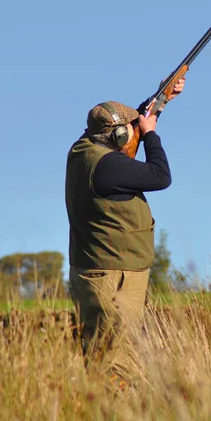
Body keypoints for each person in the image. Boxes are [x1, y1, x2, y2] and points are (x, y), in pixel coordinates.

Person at [65, 79, 185, 382]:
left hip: (94, 272)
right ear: (119, 138)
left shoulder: (82, 150)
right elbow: (160, 176)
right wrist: (152, 135)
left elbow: (123, 129)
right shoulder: (110, 168)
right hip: (114, 277)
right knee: (116, 361)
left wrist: (162, 99)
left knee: (100, 354)